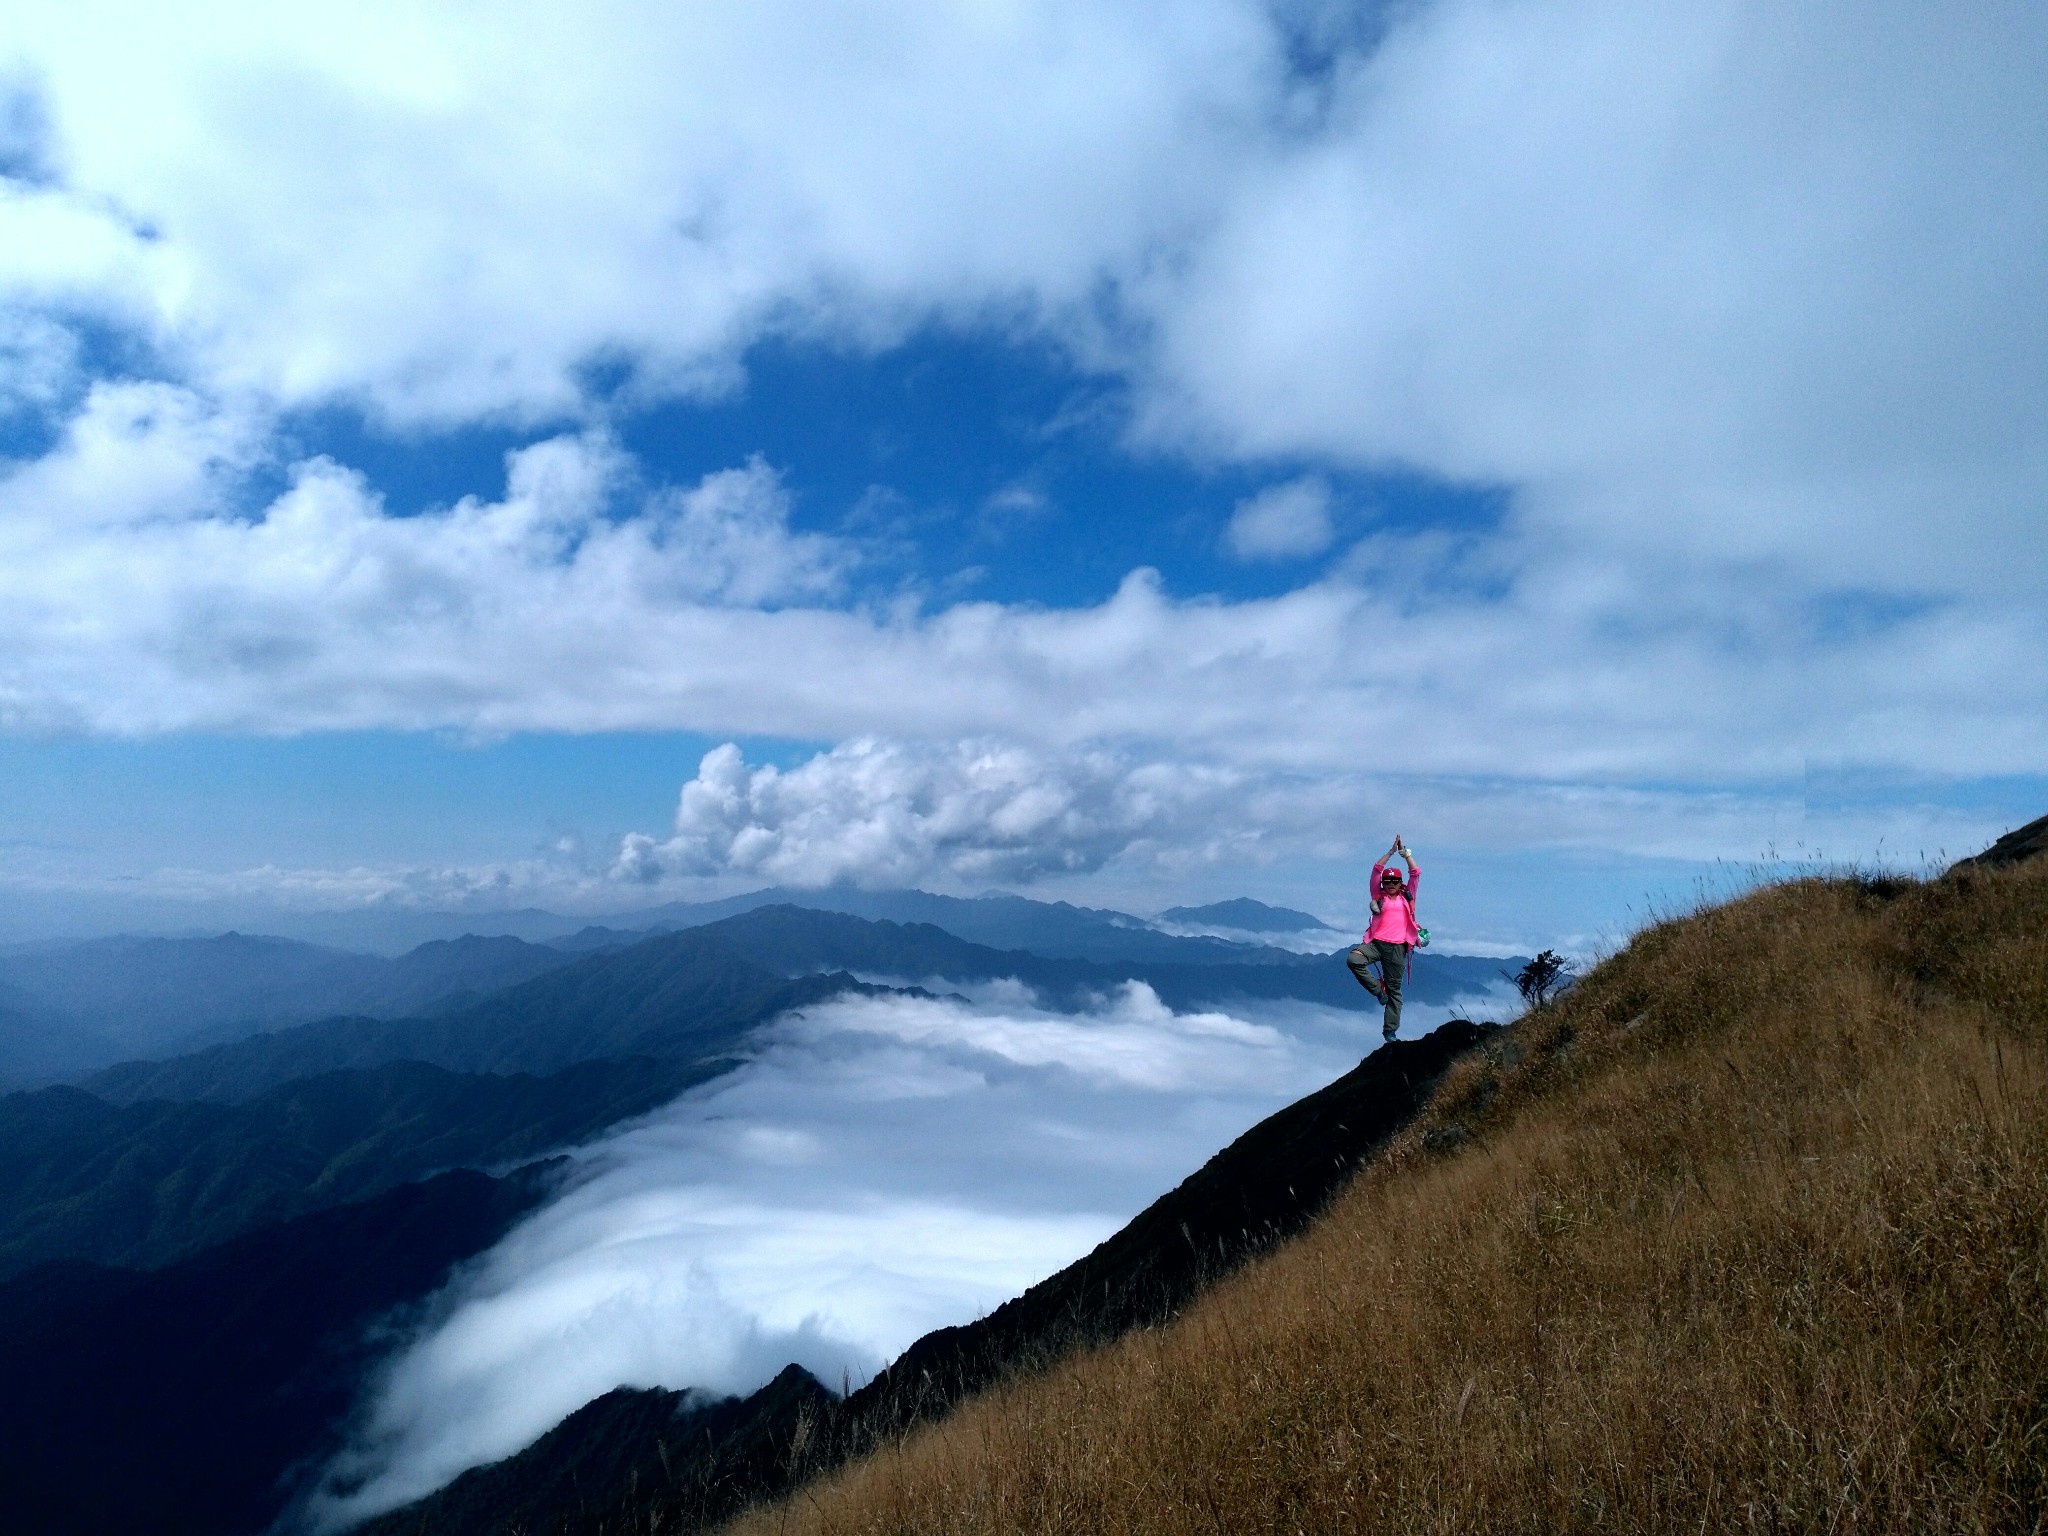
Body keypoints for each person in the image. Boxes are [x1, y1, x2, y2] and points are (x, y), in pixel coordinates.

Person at [1347, 836, 1420, 1042]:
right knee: (1354, 960)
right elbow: (1376, 869)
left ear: (1400, 882)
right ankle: (1379, 991)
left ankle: (1390, 1031)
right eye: (1387, 881)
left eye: (1394, 881)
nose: (1390, 884)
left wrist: (1405, 854)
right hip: (1376, 943)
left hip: (1398, 947)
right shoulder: (1378, 895)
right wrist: (1390, 852)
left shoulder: (1408, 895)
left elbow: (1415, 874)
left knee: (1395, 990)